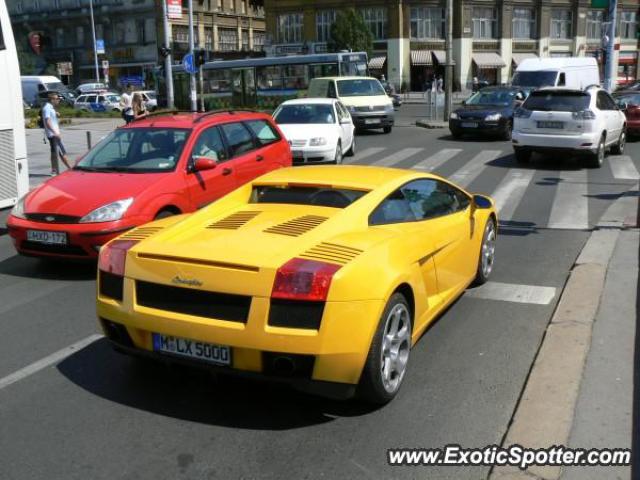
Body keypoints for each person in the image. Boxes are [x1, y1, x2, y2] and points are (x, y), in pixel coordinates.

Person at [42, 92, 71, 176]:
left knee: (54, 152)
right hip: (53, 135)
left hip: (52, 134)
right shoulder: (47, 108)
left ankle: (53, 170)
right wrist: (55, 132)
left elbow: (50, 116)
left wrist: (56, 113)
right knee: (62, 153)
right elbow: (47, 121)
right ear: (52, 100)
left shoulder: (50, 107)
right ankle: (70, 168)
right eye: (57, 99)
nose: (58, 100)